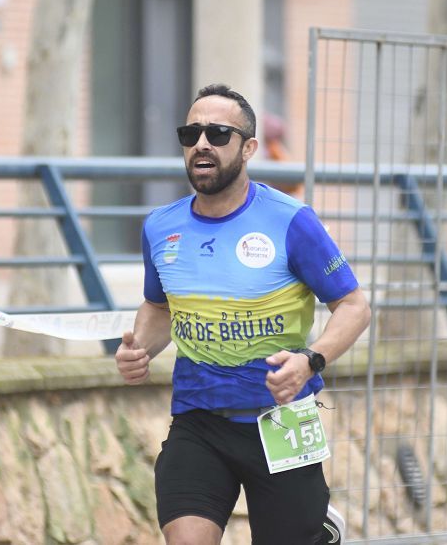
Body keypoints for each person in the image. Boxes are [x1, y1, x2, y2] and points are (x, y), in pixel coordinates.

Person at [116, 83, 372, 544]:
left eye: (217, 133)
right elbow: (158, 308)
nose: (201, 144)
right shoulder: (161, 226)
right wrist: (141, 349)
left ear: (249, 147)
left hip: (281, 417)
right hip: (198, 417)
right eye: (191, 133)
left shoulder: (292, 221)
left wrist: (311, 361)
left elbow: (354, 306)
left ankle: (319, 525)